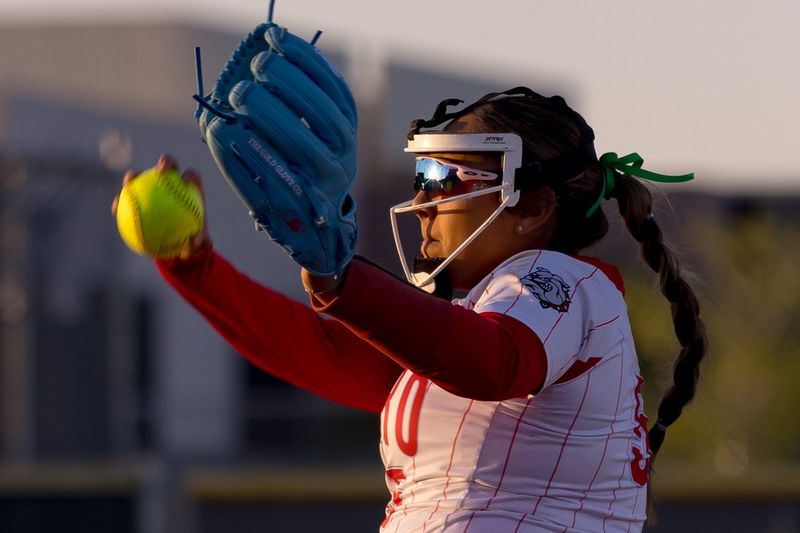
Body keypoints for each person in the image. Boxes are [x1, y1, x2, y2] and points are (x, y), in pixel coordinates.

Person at [114, 87, 707, 532]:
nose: (422, 199)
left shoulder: (562, 280)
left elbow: (499, 361)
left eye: (445, 177)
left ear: (534, 207)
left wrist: (347, 282)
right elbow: (323, 354)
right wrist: (197, 268)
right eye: (422, 173)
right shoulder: (473, 317)